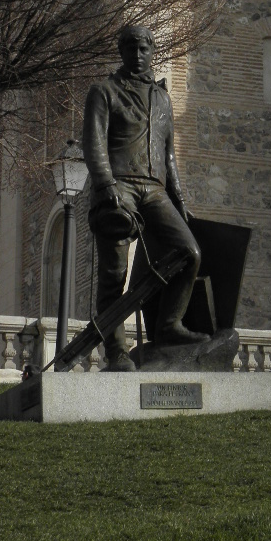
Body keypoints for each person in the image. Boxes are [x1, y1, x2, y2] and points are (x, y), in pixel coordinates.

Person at [83, 23, 205, 371]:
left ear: (152, 51)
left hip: (155, 190)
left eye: (144, 48)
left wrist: (178, 197)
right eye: (131, 47)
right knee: (113, 274)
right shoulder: (104, 91)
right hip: (119, 185)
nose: (137, 54)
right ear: (121, 50)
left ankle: (168, 326)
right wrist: (106, 188)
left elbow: (169, 155)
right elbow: (94, 145)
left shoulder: (163, 98)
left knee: (190, 252)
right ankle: (117, 352)